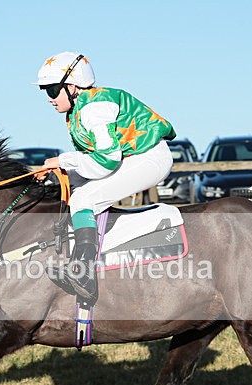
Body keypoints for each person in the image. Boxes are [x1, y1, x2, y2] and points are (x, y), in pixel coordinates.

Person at [36, 52, 176, 303]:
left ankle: (84, 274)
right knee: (73, 189)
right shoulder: (80, 108)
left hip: (149, 158)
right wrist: (60, 173)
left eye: (51, 90)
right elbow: (93, 162)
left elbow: (107, 160)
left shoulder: (93, 109)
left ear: (71, 87)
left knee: (83, 199)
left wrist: (63, 161)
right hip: (132, 157)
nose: (49, 98)